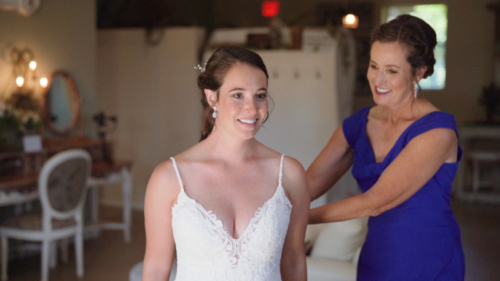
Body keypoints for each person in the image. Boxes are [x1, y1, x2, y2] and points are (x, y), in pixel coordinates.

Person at [307, 14, 465, 280]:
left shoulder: (438, 131)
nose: (378, 80)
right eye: (373, 65)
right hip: (379, 255)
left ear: (419, 73)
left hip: (428, 257)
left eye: (391, 70)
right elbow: (307, 184)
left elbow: (375, 202)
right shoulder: (358, 124)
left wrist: (295, 219)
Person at [141, 46, 309, 281]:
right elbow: (156, 269)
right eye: (238, 95)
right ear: (212, 97)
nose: (252, 109)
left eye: (260, 95)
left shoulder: (289, 174)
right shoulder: (169, 178)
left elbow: (294, 262)